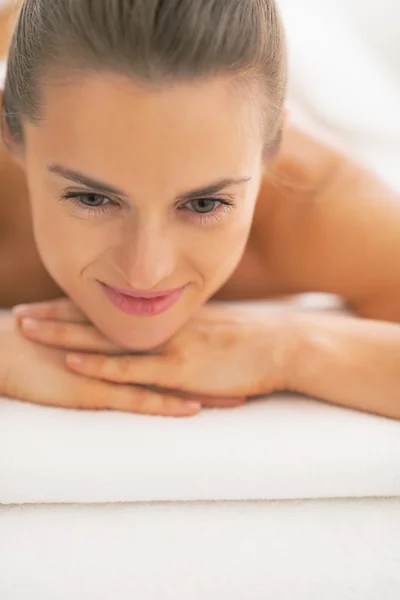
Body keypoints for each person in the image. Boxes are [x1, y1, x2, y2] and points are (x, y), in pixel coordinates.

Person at [1, 0, 400, 419]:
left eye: (204, 203)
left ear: (273, 146)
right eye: (91, 198)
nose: (145, 272)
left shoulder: (317, 208)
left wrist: (291, 349)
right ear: (11, 129)